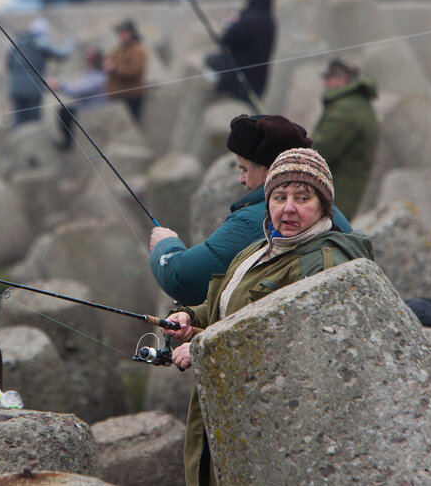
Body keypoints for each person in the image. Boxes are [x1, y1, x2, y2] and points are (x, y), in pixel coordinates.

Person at [163, 148, 374, 486]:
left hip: (267, 427)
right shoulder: (259, 250)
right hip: (225, 409)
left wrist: (205, 348)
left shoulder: (324, 264)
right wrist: (188, 318)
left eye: (302, 197)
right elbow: (224, 308)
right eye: (279, 197)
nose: (288, 207)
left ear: (323, 206)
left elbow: (293, 347)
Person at [149, 114, 352, 306]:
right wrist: (192, 316)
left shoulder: (255, 221)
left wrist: (165, 246)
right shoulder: (332, 213)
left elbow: (184, 280)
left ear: (271, 168)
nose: (241, 179)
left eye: (245, 169)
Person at [313, 57, 380, 219]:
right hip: (345, 190)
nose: (325, 84)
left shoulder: (346, 110)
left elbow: (321, 150)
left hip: (337, 191)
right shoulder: (357, 103)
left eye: (328, 78)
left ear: (342, 79)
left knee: (328, 233)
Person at [205, 0, 275, 102]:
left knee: (209, 59)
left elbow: (226, 40)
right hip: (259, 81)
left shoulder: (250, 21)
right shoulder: (269, 21)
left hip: (238, 80)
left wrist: (233, 23)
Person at [7, 17, 73, 127]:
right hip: (33, 88)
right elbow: (62, 54)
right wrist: (70, 40)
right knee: (33, 123)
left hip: (15, 88)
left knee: (18, 122)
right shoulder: (41, 41)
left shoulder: (18, 41)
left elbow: (9, 64)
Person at [46, 47, 107, 149]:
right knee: (64, 110)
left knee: (64, 112)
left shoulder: (99, 75)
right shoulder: (92, 74)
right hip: (85, 108)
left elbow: (81, 90)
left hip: (94, 110)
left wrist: (59, 85)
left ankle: (68, 144)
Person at [104, 19, 147, 122]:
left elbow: (135, 71)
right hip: (116, 98)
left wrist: (114, 68)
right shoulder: (118, 48)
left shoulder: (138, 49)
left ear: (132, 33)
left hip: (130, 98)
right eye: (120, 33)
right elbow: (108, 60)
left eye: (124, 33)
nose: (121, 35)